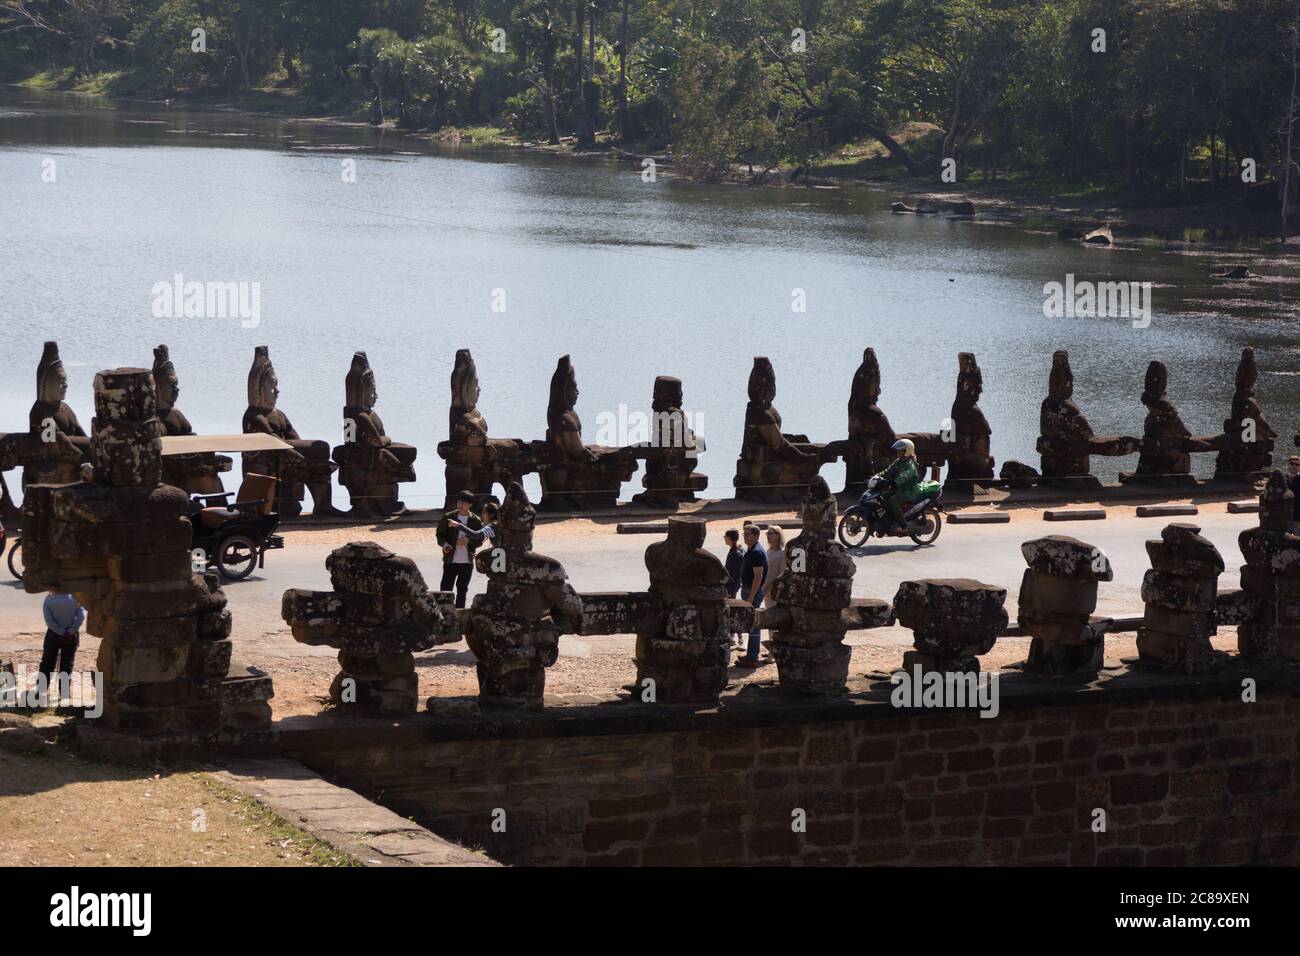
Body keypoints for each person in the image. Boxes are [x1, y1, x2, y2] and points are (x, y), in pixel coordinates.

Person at [436, 491, 484, 609]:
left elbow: (480, 539)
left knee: (462, 591)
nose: (460, 504)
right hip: (450, 560)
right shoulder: (448, 517)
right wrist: (446, 545)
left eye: (464, 502)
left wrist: (469, 541)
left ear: (470, 504)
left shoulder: (476, 520)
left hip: (467, 562)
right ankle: (443, 613)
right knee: (446, 590)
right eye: (459, 501)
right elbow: (440, 535)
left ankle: (459, 615)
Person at [40, 590, 84, 704]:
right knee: (67, 664)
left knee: (47, 663)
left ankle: (41, 691)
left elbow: (49, 621)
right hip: (71, 635)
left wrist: (61, 632)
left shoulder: (49, 600)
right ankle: (64, 694)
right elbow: (81, 616)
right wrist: (70, 631)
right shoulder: (75, 598)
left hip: (53, 635)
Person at [875, 438, 923, 534]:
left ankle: (904, 525)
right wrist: (877, 476)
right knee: (882, 497)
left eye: (900, 450)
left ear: (906, 451)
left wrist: (895, 482)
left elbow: (905, 476)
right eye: (898, 450)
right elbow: (888, 471)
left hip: (908, 491)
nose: (898, 452)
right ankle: (888, 521)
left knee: (893, 500)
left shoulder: (910, 464)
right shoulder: (899, 461)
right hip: (898, 489)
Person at [736, 524, 768, 668]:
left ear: (755, 535)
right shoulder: (751, 550)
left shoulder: (757, 552)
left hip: (752, 591)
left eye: (747, 534)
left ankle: (752, 657)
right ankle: (751, 654)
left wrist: (750, 597)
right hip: (748, 589)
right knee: (751, 624)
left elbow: (758, 577)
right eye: (744, 534)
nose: (745, 537)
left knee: (754, 624)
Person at [764, 526, 786, 607]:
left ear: (778, 535)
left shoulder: (783, 552)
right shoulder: (769, 551)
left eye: (770, 533)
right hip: (766, 590)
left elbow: (782, 573)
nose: (767, 535)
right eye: (767, 533)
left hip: (775, 591)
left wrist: (768, 586)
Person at [723, 529, 745, 599]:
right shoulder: (734, 550)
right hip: (730, 586)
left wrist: (731, 591)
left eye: (725, 537)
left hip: (731, 588)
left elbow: (736, 575)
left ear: (729, 538)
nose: (724, 539)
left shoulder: (736, 554)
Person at [1289, 456, 1300, 533]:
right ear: (1288, 464)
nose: (1294, 466)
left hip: (1298, 518)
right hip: (1284, 518)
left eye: (1297, 465)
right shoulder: (1282, 479)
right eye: (1292, 464)